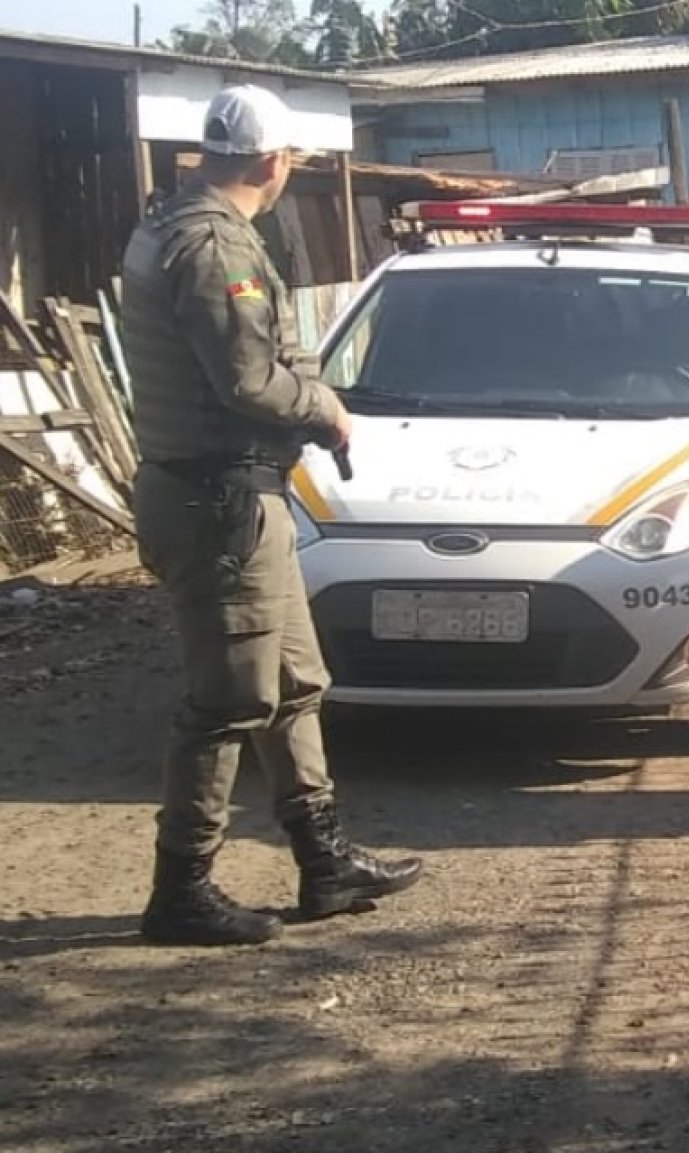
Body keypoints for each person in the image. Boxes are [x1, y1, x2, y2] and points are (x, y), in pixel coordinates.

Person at [121, 85, 423, 947]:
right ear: (274, 160)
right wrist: (325, 409)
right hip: (220, 499)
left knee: (295, 684)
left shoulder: (173, 223)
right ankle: (181, 887)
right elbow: (249, 380)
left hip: (233, 494)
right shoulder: (215, 246)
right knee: (226, 700)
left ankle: (323, 860)